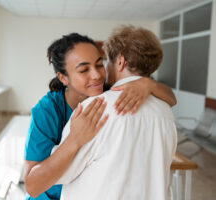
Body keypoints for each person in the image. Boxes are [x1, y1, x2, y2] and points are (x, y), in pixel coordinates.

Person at [24, 33, 176, 200]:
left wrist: (149, 84)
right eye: (83, 70)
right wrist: (74, 140)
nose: (97, 75)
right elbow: (32, 185)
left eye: (99, 65)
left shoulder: (107, 92)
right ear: (63, 77)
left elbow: (171, 99)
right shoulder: (47, 110)